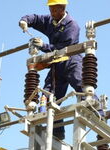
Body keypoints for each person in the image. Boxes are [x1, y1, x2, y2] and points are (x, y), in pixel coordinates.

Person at [18, 0, 85, 141]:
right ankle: (57, 132)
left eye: (55, 10)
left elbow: (62, 50)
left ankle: (99, 114)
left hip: (71, 61)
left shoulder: (72, 25)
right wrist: (25, 21)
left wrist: (43, 46)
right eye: (51, 10)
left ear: (63, 8)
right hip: (56, 65)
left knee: (83, 88)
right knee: (49, 99)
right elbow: (36, 19)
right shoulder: (50, 20)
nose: (52, 13)